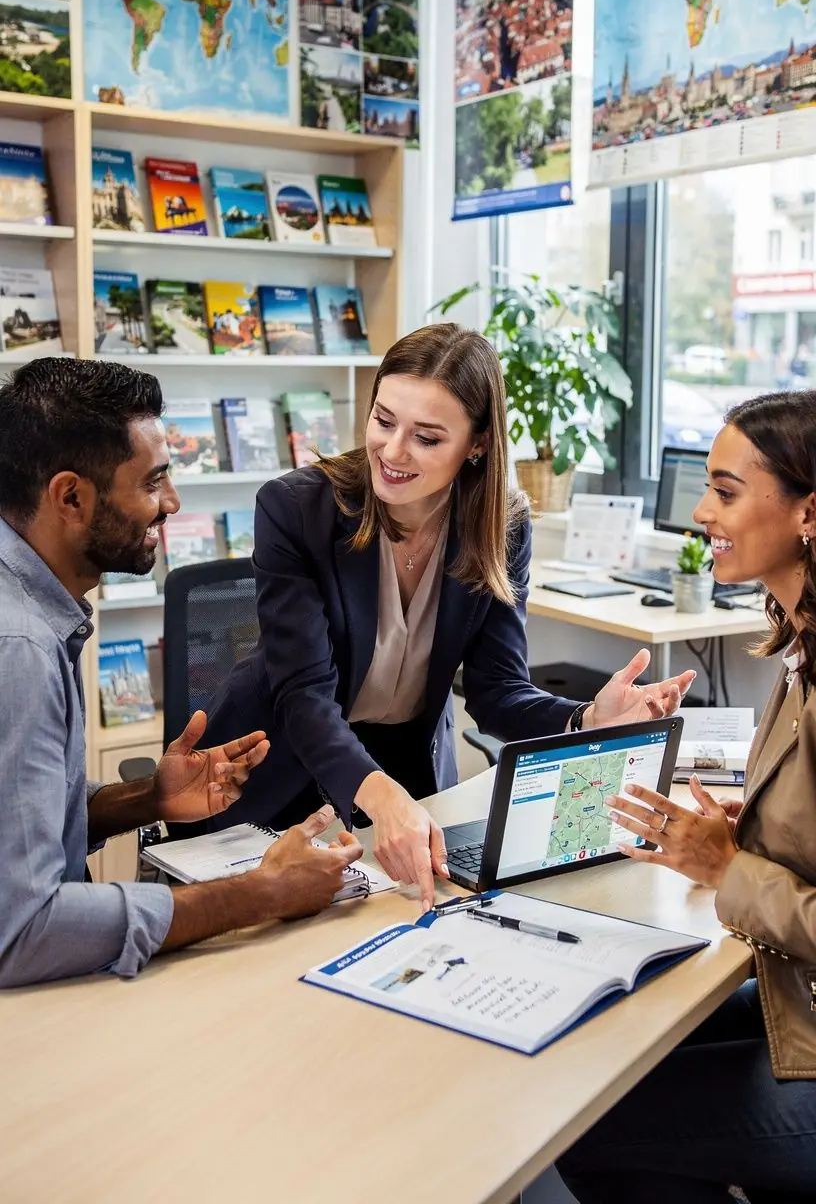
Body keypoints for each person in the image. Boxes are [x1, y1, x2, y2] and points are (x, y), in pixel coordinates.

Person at [203, 322, 695, 912]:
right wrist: (382, 799)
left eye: (427, 438)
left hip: (406, 781)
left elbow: (497, 692)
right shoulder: (295, 508)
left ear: (478, 444)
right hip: (277, 774)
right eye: (384, 420)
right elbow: (305, 695)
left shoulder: (501, 526)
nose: (392, 451)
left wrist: (587, 718)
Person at [0, 358, 362, 988]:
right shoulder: (20, 648)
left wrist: (151, 798)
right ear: (70, 497)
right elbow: (23, 929)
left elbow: (22, 825)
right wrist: (259, 894)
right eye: (152, 482)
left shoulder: (32, 607)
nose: (171, 503)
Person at [557, 390, 816, 1203]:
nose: (702, 512)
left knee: (587, 1123)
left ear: (809, 512)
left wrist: (731, 866)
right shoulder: (801, 637)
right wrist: (755, 832)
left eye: (727, 492)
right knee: (616, 1056)